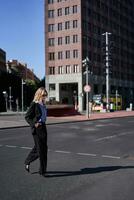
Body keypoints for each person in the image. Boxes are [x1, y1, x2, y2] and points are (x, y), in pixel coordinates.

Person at [24, 87, 48, 177]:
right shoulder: (34, 104)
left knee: (42, 149)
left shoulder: (43, 104)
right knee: (40, 150)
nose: (45, 96)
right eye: (43, 95)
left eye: (46, 95)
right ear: (39, 94)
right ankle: (42, 171)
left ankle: (27, 161)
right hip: (37, 128)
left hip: (43, 127)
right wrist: (34, 124)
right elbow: (27, 117)